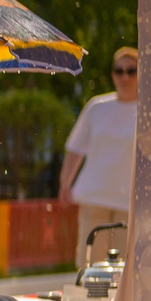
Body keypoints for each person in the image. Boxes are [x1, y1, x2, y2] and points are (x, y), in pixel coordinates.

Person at [61, 46, 140, 262]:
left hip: (129, 201)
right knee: (90, 264)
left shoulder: (149, 111)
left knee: (123, 270)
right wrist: (65, 183)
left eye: (131, 71)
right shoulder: (97, 107)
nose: (124, 76)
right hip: (94, 196)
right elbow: (75, 148)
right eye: (119, 70)